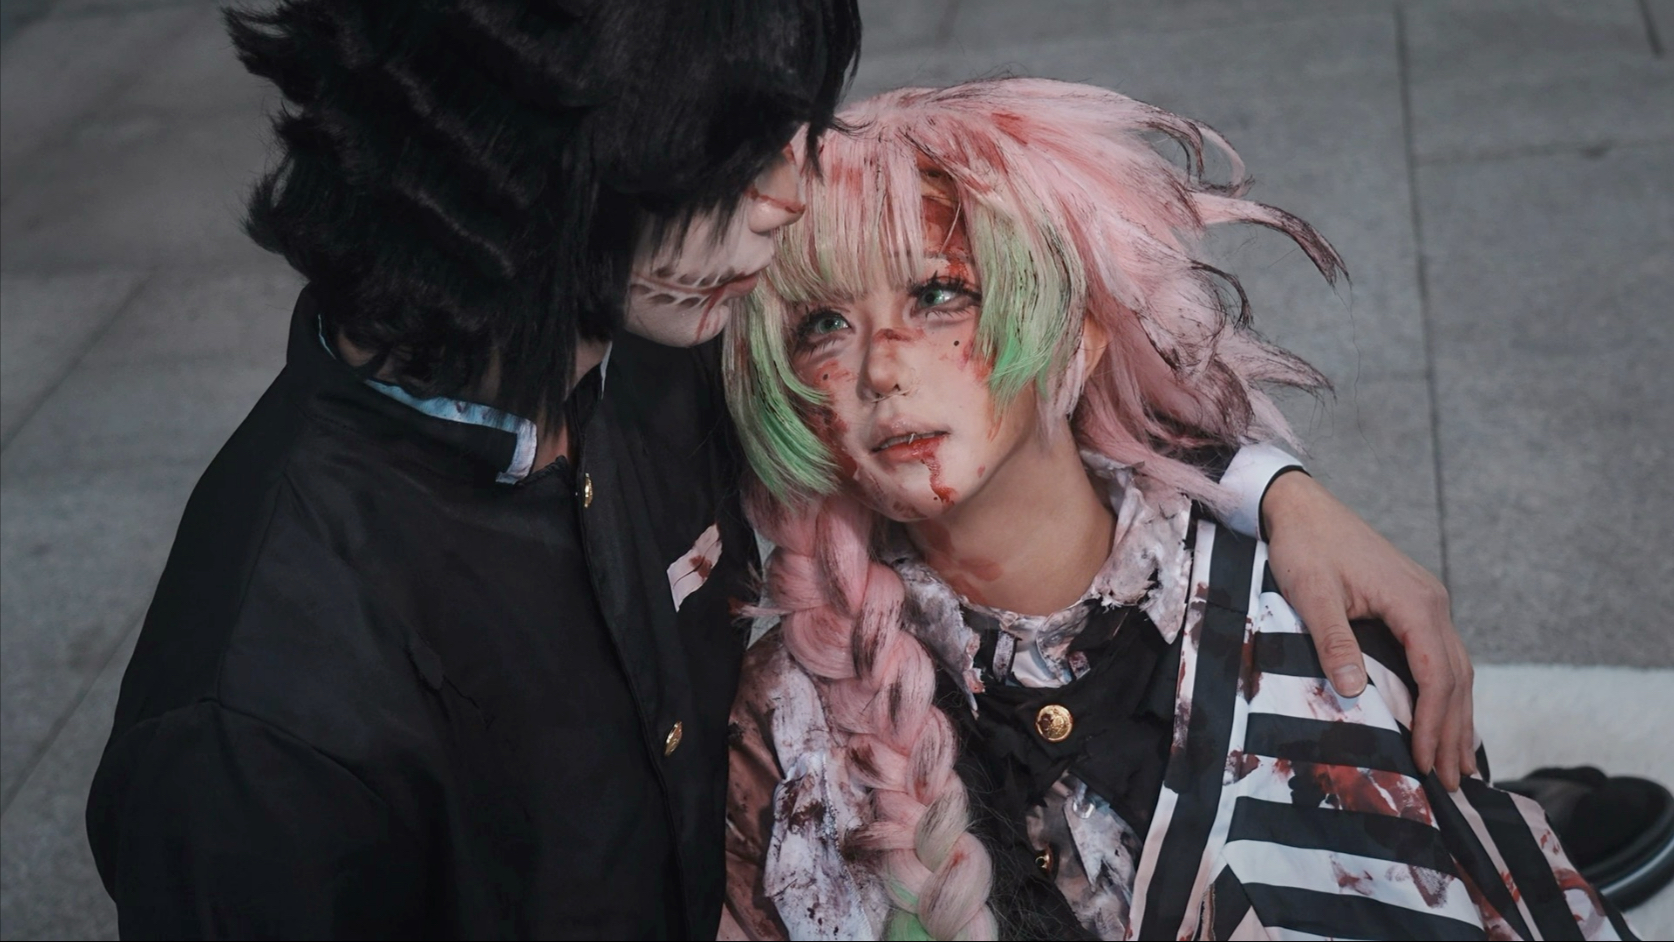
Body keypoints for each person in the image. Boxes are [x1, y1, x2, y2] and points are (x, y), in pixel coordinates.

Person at [85, 2, 1481, 937]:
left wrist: (1274, 492)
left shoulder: (642, 328)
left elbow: (1031, 329)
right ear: (534, 170)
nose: (791, 194)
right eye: (728, 155)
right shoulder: (258, 722)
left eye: (789, 132)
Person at [720, 78, 1636, 940]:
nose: (882, 367)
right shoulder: (787, 729)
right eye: (824, 325)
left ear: (1076, 331)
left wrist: (1276, 491)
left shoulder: (1305, 615)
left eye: (940, 294)